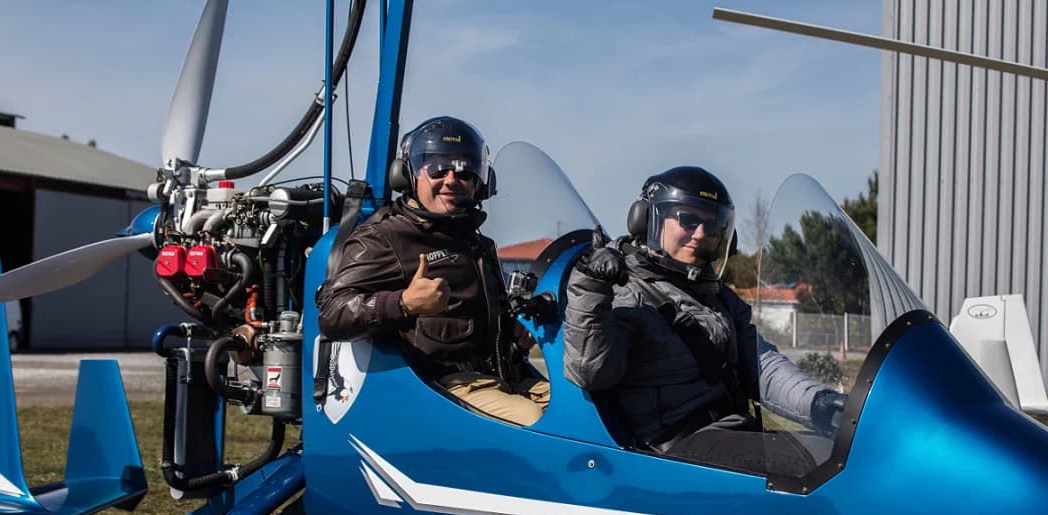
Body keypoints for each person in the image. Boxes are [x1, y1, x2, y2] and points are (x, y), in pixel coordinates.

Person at [563, 165, 846, 475]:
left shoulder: (717, 298)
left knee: (848, 449)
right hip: (676, 447)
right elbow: (592, 372)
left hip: (731, 431)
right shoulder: (626, 292)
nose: (700, 234)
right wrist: (590, 286)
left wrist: (819, 403)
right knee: (823, 461)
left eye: (711, 226)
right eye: (687, 219)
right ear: (650, 220)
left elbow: (762, 365)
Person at [317, 116, 548, 425]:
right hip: (438, 388)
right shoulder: (385, 237)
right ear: (409, 175)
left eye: (464, 170)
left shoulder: (477, 244)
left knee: (587, 412)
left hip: (501, 376)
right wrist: (403, 303)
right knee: (534, 422)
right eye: (438, 168)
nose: (452, 179)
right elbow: (332, 314)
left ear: (482, 181)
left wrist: (514, 331)